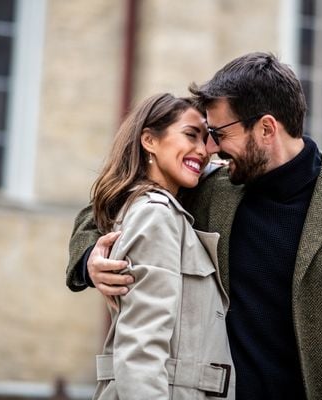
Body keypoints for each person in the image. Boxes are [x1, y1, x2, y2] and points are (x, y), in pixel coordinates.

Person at [67, 53, 322, 400]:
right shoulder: (208, 189)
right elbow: (111, 202)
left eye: (218, 133)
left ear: (266, 128)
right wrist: (90, 260)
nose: (212, 149)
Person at [85, 93, 235, 399]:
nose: (202, 150)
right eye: (191, 135)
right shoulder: (156, 214)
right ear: (149, 141)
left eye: (207, 139)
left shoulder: (151, 209)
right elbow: (141, 347)